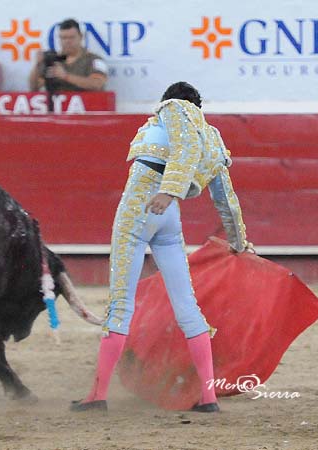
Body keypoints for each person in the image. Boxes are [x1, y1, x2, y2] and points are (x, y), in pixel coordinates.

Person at [70, 81, 252, 413]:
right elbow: (226, 199)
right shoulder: (212, 138)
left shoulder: (173, 108)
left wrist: (169, 191)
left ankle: (97, 395)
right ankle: (208, 397)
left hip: (144, 204)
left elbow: (184, 149)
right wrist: (239, 242)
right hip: (169, 220)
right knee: (187, 306)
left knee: (121, 304)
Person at [28, 18, 108, 92]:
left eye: (71, 37)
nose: (67, 41)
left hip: (86, 102)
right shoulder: (52, 59)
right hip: (56, 102)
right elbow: (34, 87)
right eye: (64, 38)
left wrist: (66, 76)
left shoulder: (94, 60)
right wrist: (38, 65)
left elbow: (97, 84)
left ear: (81, 37)